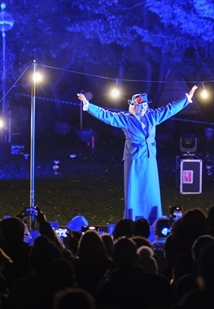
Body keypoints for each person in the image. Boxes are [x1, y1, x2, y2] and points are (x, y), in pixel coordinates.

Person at [77, 86, 197, 223]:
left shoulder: (152, 116)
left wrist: (186, 99)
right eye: (140, 106)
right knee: (135, 190)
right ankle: (133, 219)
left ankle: (153, 218)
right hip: (134, 158)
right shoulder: (126, 119)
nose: (143, 108)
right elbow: (107, 116)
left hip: (149, 158)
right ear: (133, 106)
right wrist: (88, 105)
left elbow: (168, 110)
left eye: (145, 105)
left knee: (150, 189)